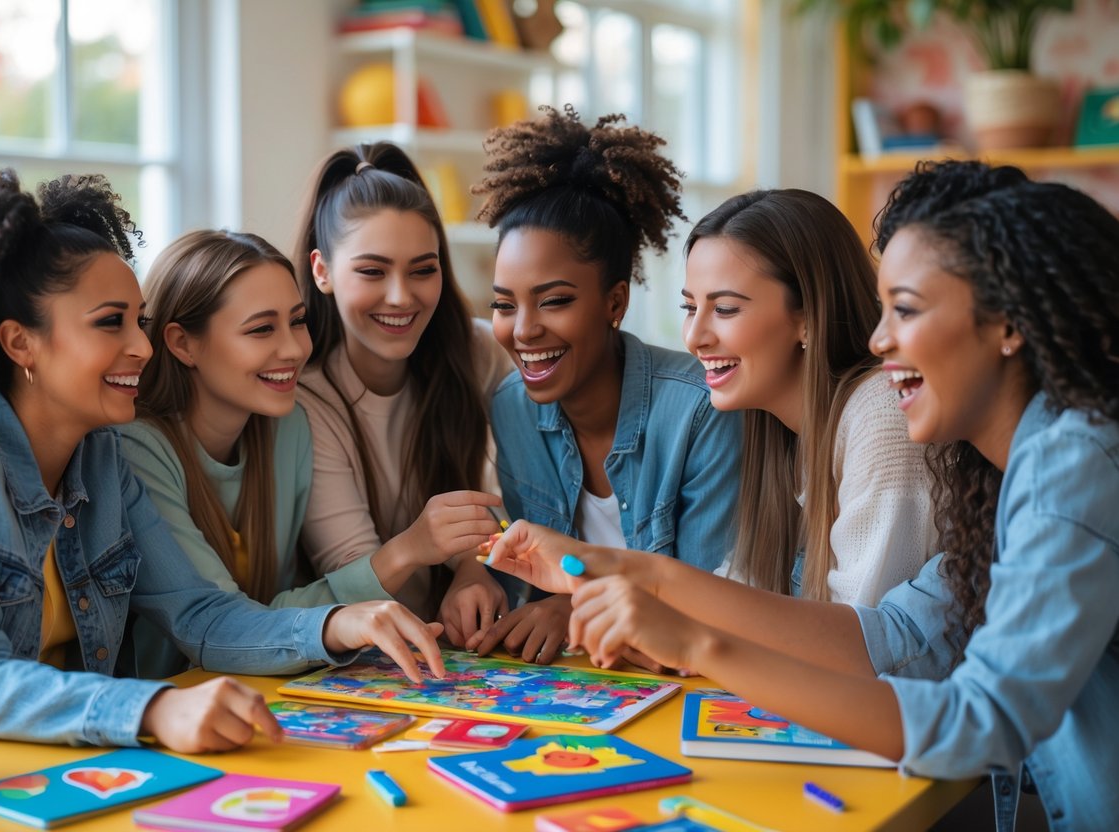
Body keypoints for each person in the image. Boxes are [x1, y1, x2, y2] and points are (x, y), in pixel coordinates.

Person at [487, 160, 1119, 830]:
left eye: (904, 310)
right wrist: (626, 570)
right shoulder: (1007, 467)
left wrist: (697, 643)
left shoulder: (1068, 462)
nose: (879, 340)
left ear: (1007, 324)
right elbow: (896, 634)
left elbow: (976, 721)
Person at [0, 168, 445, 752]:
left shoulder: (101, 457)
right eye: (109, 323)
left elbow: (202, 615)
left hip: (76, 767)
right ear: (20, 343)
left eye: (138, 320)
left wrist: (337, 624)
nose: (141, 345)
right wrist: (155, 707)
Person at [465, 105, 743, 666]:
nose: (523, 331)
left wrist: (575, 612)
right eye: (503, 304)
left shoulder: (701, 408)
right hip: (591, 688)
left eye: (555, 300)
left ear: (615, 302)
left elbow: (715, 612)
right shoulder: (513, 408)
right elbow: (538, 587)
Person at [120, 230, 410, 678]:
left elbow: (271, 609)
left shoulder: (286, 427)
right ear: (182, 344)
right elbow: (220, 619)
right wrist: (404, 555)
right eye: (261, 329)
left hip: (257, 691)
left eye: (297, 321)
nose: (294, 349)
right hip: (163, 706)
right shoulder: (136, 450)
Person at [293, 142, 511, 645]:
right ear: (322, 270)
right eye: (372, 271)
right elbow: (352, 580)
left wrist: (473, 569)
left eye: (422, 269)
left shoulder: (478, 352)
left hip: (473, 652)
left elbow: (508, 495)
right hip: (362, 656)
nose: (401, 296)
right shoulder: (306, 398)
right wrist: (419, 543)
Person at [685, 189, 936, 604]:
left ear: (807, 319)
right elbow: (743, 590)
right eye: (689, 308)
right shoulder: (780, 426)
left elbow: (862, 634)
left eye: (725, 309)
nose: (695, 338)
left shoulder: (882, 414)